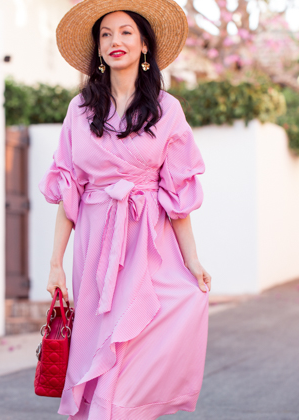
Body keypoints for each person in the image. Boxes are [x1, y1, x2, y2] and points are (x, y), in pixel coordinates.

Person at [39, 0, 211, 418]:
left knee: (166, 317)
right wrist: (56, 262)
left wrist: (192, 260)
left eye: (126, 32)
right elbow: (69, 188)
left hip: (149, 239)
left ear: (144, 45)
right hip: (97, 242)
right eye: (105, 34)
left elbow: (176, 192)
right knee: (101, 338)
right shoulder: (79, 111)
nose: (115, 41)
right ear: (98, 50)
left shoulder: (167, 109)